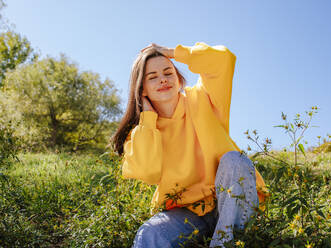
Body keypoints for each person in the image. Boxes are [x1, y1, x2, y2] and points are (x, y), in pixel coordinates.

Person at [110, 42, 269, 247]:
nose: (163, 80)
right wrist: (148, 119)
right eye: (152, 77)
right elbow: (149, 173)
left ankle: (224, 242)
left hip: (232, 201)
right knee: (150, 234)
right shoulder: (142, 131)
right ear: (142, 89)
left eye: (168, 72)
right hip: (185, 215)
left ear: (178, 79)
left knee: (234, 160)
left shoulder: (203, 98)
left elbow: (223, 59)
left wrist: (171, 53)